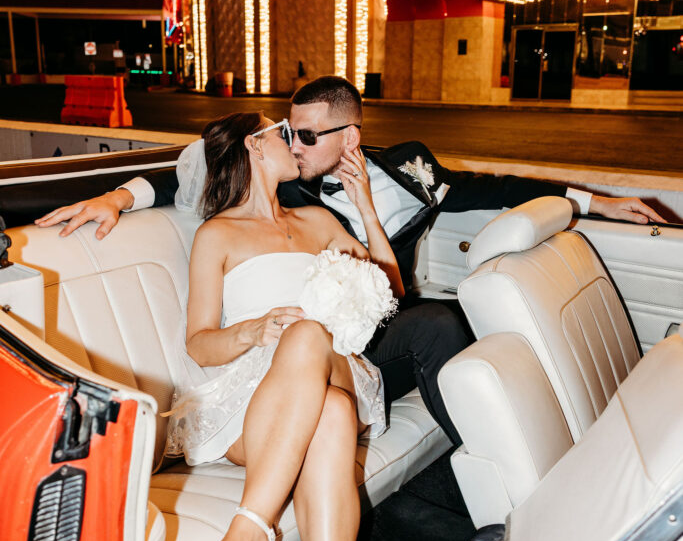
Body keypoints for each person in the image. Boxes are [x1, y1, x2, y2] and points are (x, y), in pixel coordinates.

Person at [36, 76, 665, 446]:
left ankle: (566, 440)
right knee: (441, 326)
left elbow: (493, 186)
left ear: (350, 138)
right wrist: (120, 196)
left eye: (307, 135)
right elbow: (201, 174)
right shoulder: (291, 190)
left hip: (384, 320)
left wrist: (596, 202)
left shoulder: (409, 168)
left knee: (472, 321)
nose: (296, 145)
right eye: (289, 131)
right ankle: (493, 458)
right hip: (326, 346)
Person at [165, 110, 404, 541]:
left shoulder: (320, 222)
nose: (296, 143)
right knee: (324, 411)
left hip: (330, 367)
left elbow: (387, 292)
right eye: (283, 133)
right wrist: (252, 330)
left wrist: (364, 208)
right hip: (250, 400)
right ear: (253, 145)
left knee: (311, 342)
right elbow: (199, 343)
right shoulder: (217, 236)